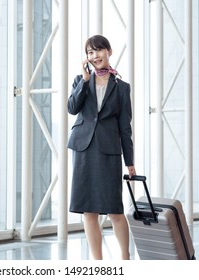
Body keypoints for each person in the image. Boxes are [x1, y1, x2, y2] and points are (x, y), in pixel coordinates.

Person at [67, 35, 136, 260]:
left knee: (115, 210)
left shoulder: (122, 87)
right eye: (90, 52)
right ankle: (98, 264)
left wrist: (130, 162)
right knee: (89, 210)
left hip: (108, 151)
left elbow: (125, 127)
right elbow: (72, 108)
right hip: (83, 149)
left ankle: (125, 259)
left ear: (109, 51)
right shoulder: (81, 80)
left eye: (98, 51)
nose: (94, 56)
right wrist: (85, 82)